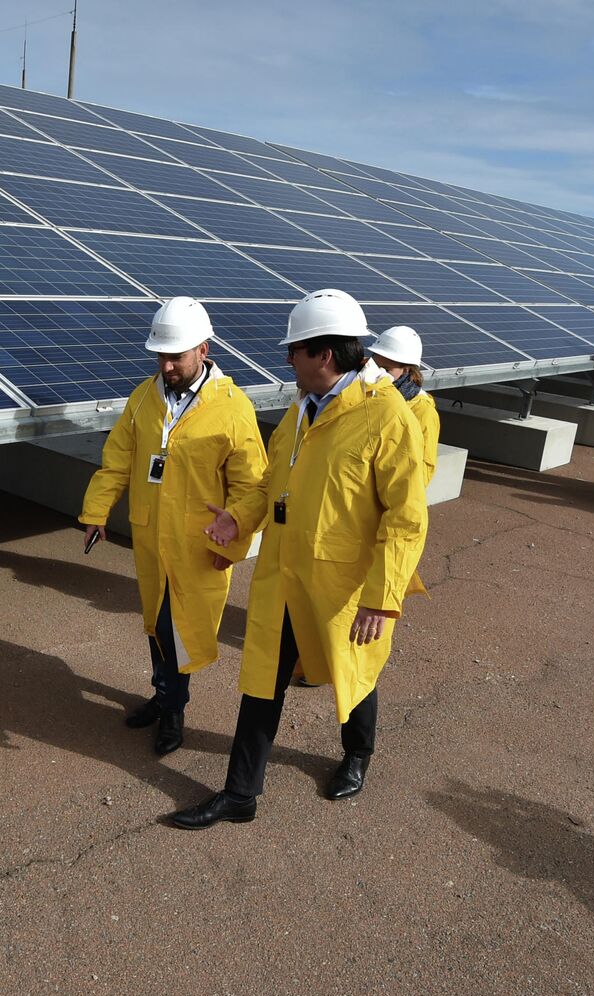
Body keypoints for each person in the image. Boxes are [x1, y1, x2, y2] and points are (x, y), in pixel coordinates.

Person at [172, 290, 427, 827]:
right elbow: (270, 484)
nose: (288, 360)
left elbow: (405, 518)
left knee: (352, 670)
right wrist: (239, 519)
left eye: (295, 351)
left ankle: (357, 754)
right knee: (262, 679)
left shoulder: (386, 416)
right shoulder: (301, 408)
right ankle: (240, 793)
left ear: (325, 356)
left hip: (344, 584)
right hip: (282, 575)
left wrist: (382, 599)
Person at [79, 297, 266, 755]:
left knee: (177, 629)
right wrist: (96, 512)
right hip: (150, 538)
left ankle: (173, 711)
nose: (166, 365)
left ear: (203, 350)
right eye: (160, 356)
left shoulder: (232, 407)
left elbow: (252, 485)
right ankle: (164, 698)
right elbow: (118, 458)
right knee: (156, 625)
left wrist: (236, 536)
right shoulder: (144, 397)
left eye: (175, 356)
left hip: (200, 544)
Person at [368, 326, 439, 485]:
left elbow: (423, 468)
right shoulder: (367, 392)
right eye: (376, 365)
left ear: (406, 369)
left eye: (386, 369)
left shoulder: (422, 409)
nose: (378, 373)